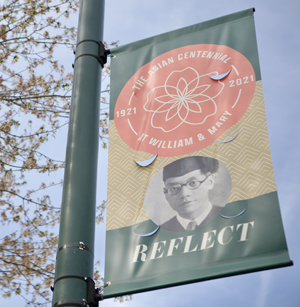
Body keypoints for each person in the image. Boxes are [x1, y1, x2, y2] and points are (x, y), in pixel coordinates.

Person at [161, 156, 220, 232]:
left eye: (193, 183)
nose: (184, 194)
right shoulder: (162, 231)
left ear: (210, 182)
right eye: (174, 188)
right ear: (166, 194)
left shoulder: (231, 216)